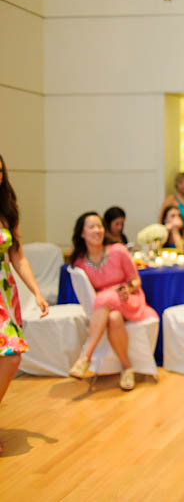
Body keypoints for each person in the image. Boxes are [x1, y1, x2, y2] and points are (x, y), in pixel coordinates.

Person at [68, 212, 158, 390]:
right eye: (92, 226)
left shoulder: (118, 250)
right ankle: (127, 367)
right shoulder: (80, 262)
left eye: (100, 226)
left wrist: (128, 289)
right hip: (106, 308)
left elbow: (135, 280)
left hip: (128, 299)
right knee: (114, 318)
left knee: (106, 297)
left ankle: (85, 357)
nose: (97, 230)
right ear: (82, 233)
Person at [0, 154, 49, 453]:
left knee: (11, 356)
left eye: (0, 170)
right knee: (10, 356)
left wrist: (36, 292)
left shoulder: (6, 212)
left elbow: (18, 255)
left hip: (4, 291)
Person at [160, 172, 184, 256]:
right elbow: (161, 219)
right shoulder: (171, 199)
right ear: (176, 185)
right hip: (177, 236)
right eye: (181, 183)